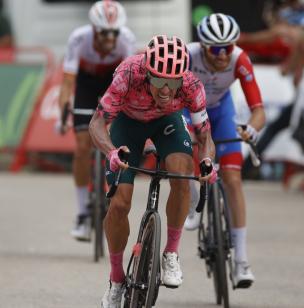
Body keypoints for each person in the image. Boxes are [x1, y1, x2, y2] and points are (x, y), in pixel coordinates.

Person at [88, 35, 216, 307]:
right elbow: (97, 124)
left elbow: (205, 137)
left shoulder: (191, 85)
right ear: (147, 73)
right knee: (120, 203)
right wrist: (111, 151)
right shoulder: (128, 72)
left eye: (173, 82)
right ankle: (116, 278)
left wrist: (206, 161)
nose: (166, 90)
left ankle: (171, 253)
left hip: (167, 123)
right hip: (128, 123)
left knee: (182, 174)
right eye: (159, 81)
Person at [183, 13, 266, 288]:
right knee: (182, 152)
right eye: (216, 49)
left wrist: (251, 129)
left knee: (232, 180)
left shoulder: (239, 59)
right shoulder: (187, 56)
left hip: (220, 111)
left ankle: (242, 260)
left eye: (228, 48)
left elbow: (258, 112)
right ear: (203, 46)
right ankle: (193, 200)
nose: (222, 55)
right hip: (186, 107)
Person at [58, 0, 136, 241]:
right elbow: (68, 81)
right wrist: (64, 112)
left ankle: (106, 187)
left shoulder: (126, 39)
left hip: (114, 82)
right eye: (104, 32)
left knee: (111, 138)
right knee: (82, 147)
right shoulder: (78, 38)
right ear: (93, 29)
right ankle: (82, 213)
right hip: (86, 83)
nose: (110, 38)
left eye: (114, 32)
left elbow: (130, 83)